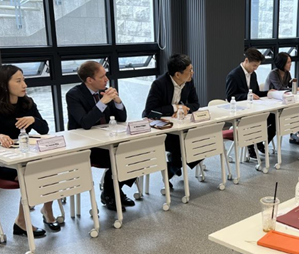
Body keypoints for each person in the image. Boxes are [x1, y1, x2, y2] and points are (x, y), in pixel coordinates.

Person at [0, 65, 56, 237]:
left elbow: (44, 129)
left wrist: (33, 119)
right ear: (5, 85)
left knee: (51, 167)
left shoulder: (27, 103)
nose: (24, 85)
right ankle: (21, 222)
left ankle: (47, 210)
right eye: (19, 81)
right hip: (1, 161)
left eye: (24, 80)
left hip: (25, 155)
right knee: (32, 175)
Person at [66, 61, 136, 212]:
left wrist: (117, 101)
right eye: (102, 76)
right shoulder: (73, 95)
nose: (106, 79)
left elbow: (122, 118)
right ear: (89, 80)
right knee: (119, 157)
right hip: (85, 146)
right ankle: (111, 194)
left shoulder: (104, 91)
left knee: (133, 154)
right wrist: (103, 102)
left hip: (106, 141)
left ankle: (112, 191)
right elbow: (85, 123)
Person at [143, 54, 202, 186]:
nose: (192, 73)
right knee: (181, 143)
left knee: (200, 140)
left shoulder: (189, 81)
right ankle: (174, 165)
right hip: (160, 127)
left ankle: (173, 167)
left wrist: (184, 109)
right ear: (177, 74)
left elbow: (196, 104)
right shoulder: (159, 84)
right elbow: (150, 111)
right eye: (189, 70)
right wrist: (175, 108)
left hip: (179, 124)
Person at [225, 48, 276, 159]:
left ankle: (259, 142)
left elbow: (256, 93)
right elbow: (230, 97)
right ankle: (252, 146)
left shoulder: (253, 74)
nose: (255, 68)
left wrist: (268, 93)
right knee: (254, 121)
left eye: (257, 66)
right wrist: (248, 96)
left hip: (253, 109)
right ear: (246, 60)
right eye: (254, 65)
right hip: (240, 111)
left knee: (274, 118)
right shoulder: (233, 75)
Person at [265, 52, 299, 144]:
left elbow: (289, 87)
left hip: (281, 102)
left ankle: (295, 134)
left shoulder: (287, 73)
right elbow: (280, 88)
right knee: (278, 121)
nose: (290, 64)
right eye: (288, 62)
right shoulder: (273, 74)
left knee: (294, 113)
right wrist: (297, 89)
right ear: (282, 63)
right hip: (269, 104)